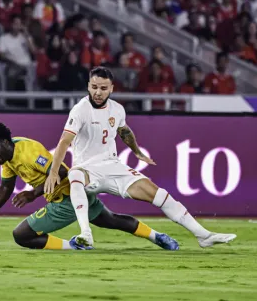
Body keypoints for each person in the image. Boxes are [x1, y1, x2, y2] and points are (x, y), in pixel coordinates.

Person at [44, 66, 237, 248]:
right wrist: (53, 172)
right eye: (94, 87)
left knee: (159, 194)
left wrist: (136, 152)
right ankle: (85, 234)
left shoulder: (117, 109)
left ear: (111, 88)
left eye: (103, 88)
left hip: (112, 167)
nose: (98, 92)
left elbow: (124, 131)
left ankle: (203, 235)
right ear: (88, 86)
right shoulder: (80, 110)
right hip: (87, 169)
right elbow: (64, 141)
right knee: (74, 176)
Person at [0, 122, 179, 251]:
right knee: (111, 220)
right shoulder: (8, 158)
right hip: (78, 193)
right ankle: (157, 237)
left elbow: (62, 172)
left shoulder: (28, 152)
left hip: (65, 198)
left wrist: (32, 194)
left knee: (21, 235)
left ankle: (74, 246)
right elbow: (5, 188)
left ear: (5, 142)